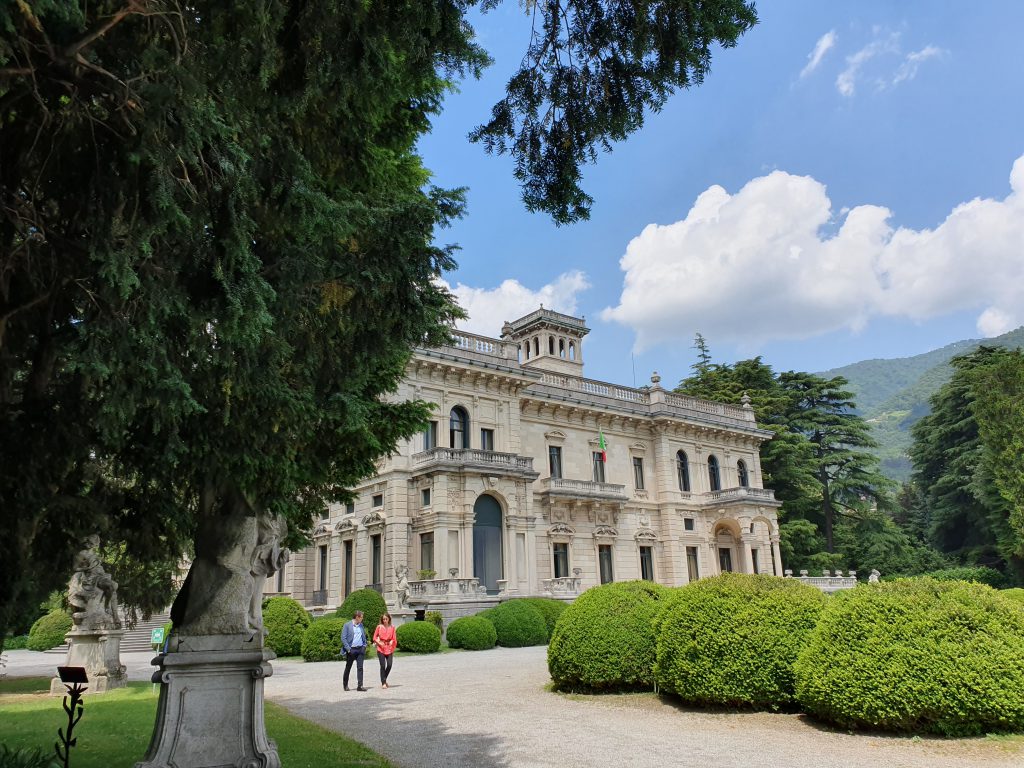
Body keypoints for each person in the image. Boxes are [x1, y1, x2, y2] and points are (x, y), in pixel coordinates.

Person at [341, 610, 368, 691]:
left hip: (360, 649)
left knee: (360, 668)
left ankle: (360, 686)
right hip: (351, 650)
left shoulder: (361, 625)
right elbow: (343, 638)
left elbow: (364, 636)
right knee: (348, 667)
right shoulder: (347, 625)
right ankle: (345, 685)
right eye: (361, 617)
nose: (362, 619)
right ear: (357, 617)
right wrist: (348, 649)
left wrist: (364, 645)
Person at [373, 612, 397, 689]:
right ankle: (383, 682)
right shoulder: (379, 627)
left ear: (389, 619)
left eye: (386, 619)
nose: (385, 620)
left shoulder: (392, 627)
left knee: (389, 665)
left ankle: (384, 679)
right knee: (382, 665)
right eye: (383, 619)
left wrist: (392, 641)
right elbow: (374, 637)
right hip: (381, 648)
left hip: (389, 648)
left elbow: (394, 638)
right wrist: (379, 643)